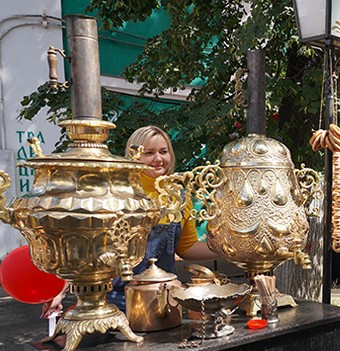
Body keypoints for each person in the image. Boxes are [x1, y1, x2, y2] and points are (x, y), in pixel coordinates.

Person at [42, 126, 217, 315]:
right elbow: (88, 251)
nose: (158, 159)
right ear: (135, 155)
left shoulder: (179, 197)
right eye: (149, 153)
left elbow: (187, 247)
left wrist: (226, 249)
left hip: (164, 301)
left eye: (163, 151)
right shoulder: (118, 194)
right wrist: (58, 292)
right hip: (116, 302)